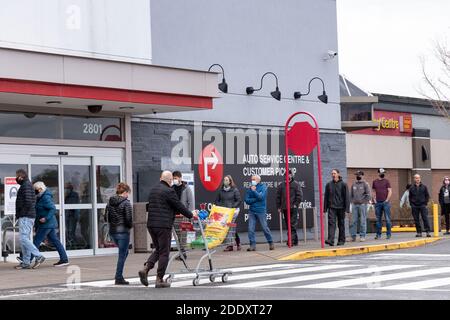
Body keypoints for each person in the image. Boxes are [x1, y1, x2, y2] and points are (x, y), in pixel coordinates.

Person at [138, 171, 193, 288]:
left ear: (160, 178)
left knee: (158, 249)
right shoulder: (169, 191)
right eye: (171, 180)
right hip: (163, 225)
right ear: (169, 181)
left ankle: (146, 268)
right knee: (164, 252)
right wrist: (191, 215)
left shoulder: (153, 190)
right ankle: (159, 279)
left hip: (151, 224)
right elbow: (178, 205)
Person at [14, 169, 45, 269]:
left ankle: (39, 256)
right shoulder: (26, 185)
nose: (16, 178)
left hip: (26, 216)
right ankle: (26, 262)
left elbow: (27, 202)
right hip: (26, 215)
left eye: (17, 176)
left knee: (23, 238)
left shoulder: (26, 186)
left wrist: (21, 211)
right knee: (25, 239)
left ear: (21, 176)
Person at [33, 181, 69, 267]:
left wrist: (46, 218)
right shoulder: (41, 196)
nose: (34, 191)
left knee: (36, 242)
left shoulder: (45, 198)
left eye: (35, 190)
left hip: (46, 224)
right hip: (48, 224)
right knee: (55, 241)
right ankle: (64, 259)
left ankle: (27, 260)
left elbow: (53, 209)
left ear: (40, 189)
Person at [106, 183, 133, 285]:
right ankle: (118, 277)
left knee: (124, 253)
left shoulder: (110, 202)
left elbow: (106, 217)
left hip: (113, 232)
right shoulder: (126, 203)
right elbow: (128, 219)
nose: (128, 195)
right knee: (122, 255)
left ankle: (119, 276)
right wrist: (129, 227)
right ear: (125, 192)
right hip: (123, 232)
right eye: (128, 193)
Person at [244, 175, 274, 251]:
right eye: (251, 179)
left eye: (253, 179)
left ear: (258, 180)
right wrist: (255, 199)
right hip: (252, 211)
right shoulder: (250, 188)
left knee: (264, 228)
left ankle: (270, 242)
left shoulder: (263, 187)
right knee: (250, 229)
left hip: (261, 211)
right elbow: (247, 200)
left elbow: (261, 197)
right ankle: (252, 245)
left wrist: (254, 191)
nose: (252, 181)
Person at [215, 175, 242, 251]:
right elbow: (217, 201)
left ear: (230, 181)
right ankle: (238, 242)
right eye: (224, 180)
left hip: (233, 212)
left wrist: (233, 206)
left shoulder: (234, 190)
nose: (225, 181)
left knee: (229, 227)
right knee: (230, 227)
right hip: (224, 211)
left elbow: (239, 200)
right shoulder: (221, 191)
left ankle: (230, 245)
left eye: (227, 180)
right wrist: (220, 207)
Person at [323, 169, 350, 246]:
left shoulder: (343, 184)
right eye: (332, 173)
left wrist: (347, 209)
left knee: (341, 224)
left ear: (338, 174)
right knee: (331, 223)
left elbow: (347, 197)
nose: (333, 175)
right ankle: (331, 240)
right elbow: (326, 197)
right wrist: (325, 208)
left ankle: (341, 240)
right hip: (332, 207)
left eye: (334, 173)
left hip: (341, 208)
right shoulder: (329, 185)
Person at [276, 169, 303, 246]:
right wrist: (279, 206)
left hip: (293, 208)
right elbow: (278, 197)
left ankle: (290, 241)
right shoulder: (281, 185)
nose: (287, 176)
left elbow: (299, 196)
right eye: (286, 175)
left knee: (292, 224)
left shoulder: (296, 184)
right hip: (285, 208)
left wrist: (295, 204)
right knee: (289, 225)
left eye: (289, 174)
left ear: (291, 175)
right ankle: (295, 241)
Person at [172, 171, 194, 259]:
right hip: (175, 215)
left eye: (176, 178)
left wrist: (189, 214)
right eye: (173, 178)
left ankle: (183, 253)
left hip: (183, 215)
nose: (174, 180)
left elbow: (190, 202)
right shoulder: (172, 188)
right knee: (178, 234)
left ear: (180, 178)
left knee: (183, 234)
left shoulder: (186, 188)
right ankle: (181, 252)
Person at [349, 170, 371, 242]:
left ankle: (362, 236)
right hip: (354, 205)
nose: (357, 176)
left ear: (362, 175)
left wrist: (364, 203)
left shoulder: (365, 184)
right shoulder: (354, 184)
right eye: (356, 175)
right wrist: (351, 203)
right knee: (353, 221)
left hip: (362, 205)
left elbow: (368, 195)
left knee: (362, 221)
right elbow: (351, 195)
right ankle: (353, 236)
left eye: (358, 175)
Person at [372, 168, 392, 240]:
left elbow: (390, 191)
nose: (383, 174)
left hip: (385, 203)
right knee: (378, 220)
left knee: (388, 219)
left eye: (384, 172)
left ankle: (388, 234)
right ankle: (378, 234)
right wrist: (374, 199)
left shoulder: (387, 181)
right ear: (378, 173)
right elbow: (373, 191)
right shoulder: (375, 182)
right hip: (378, 203)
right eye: (382, 172)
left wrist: (387, 200)